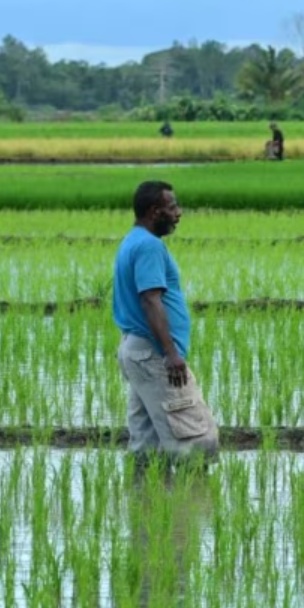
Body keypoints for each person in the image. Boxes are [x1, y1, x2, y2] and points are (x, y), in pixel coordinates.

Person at [113, 181, 219, 476]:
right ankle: (191, 512)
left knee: (148, 446)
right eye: (172, 207)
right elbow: (150, 300)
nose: (178, 213)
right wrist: (171, 353)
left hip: (138, 351)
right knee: (193, 442)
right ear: (154, 211)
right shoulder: (149, 246)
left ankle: (146, 511)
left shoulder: (132, 240)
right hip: (155, 354)